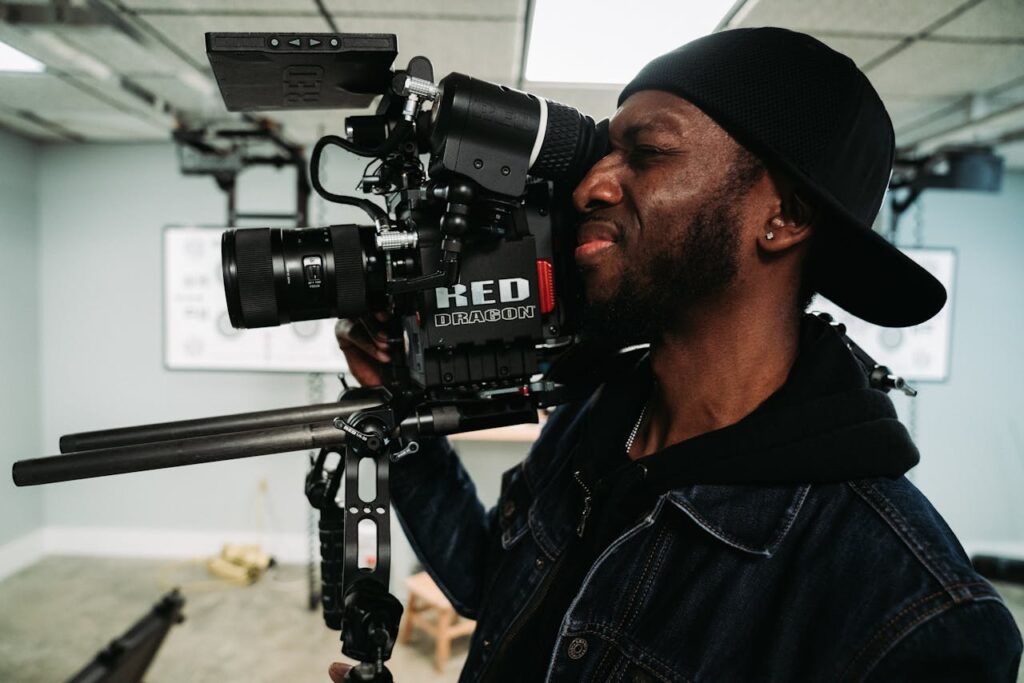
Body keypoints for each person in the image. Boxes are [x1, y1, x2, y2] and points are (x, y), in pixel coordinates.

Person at [332, 27, 1023, 682]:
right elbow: (493, 577)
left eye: (647, 153)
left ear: (787, 216)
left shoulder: (911, 609)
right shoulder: (598, 411)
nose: (589, 187)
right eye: (605, 151)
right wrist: (397, 400)